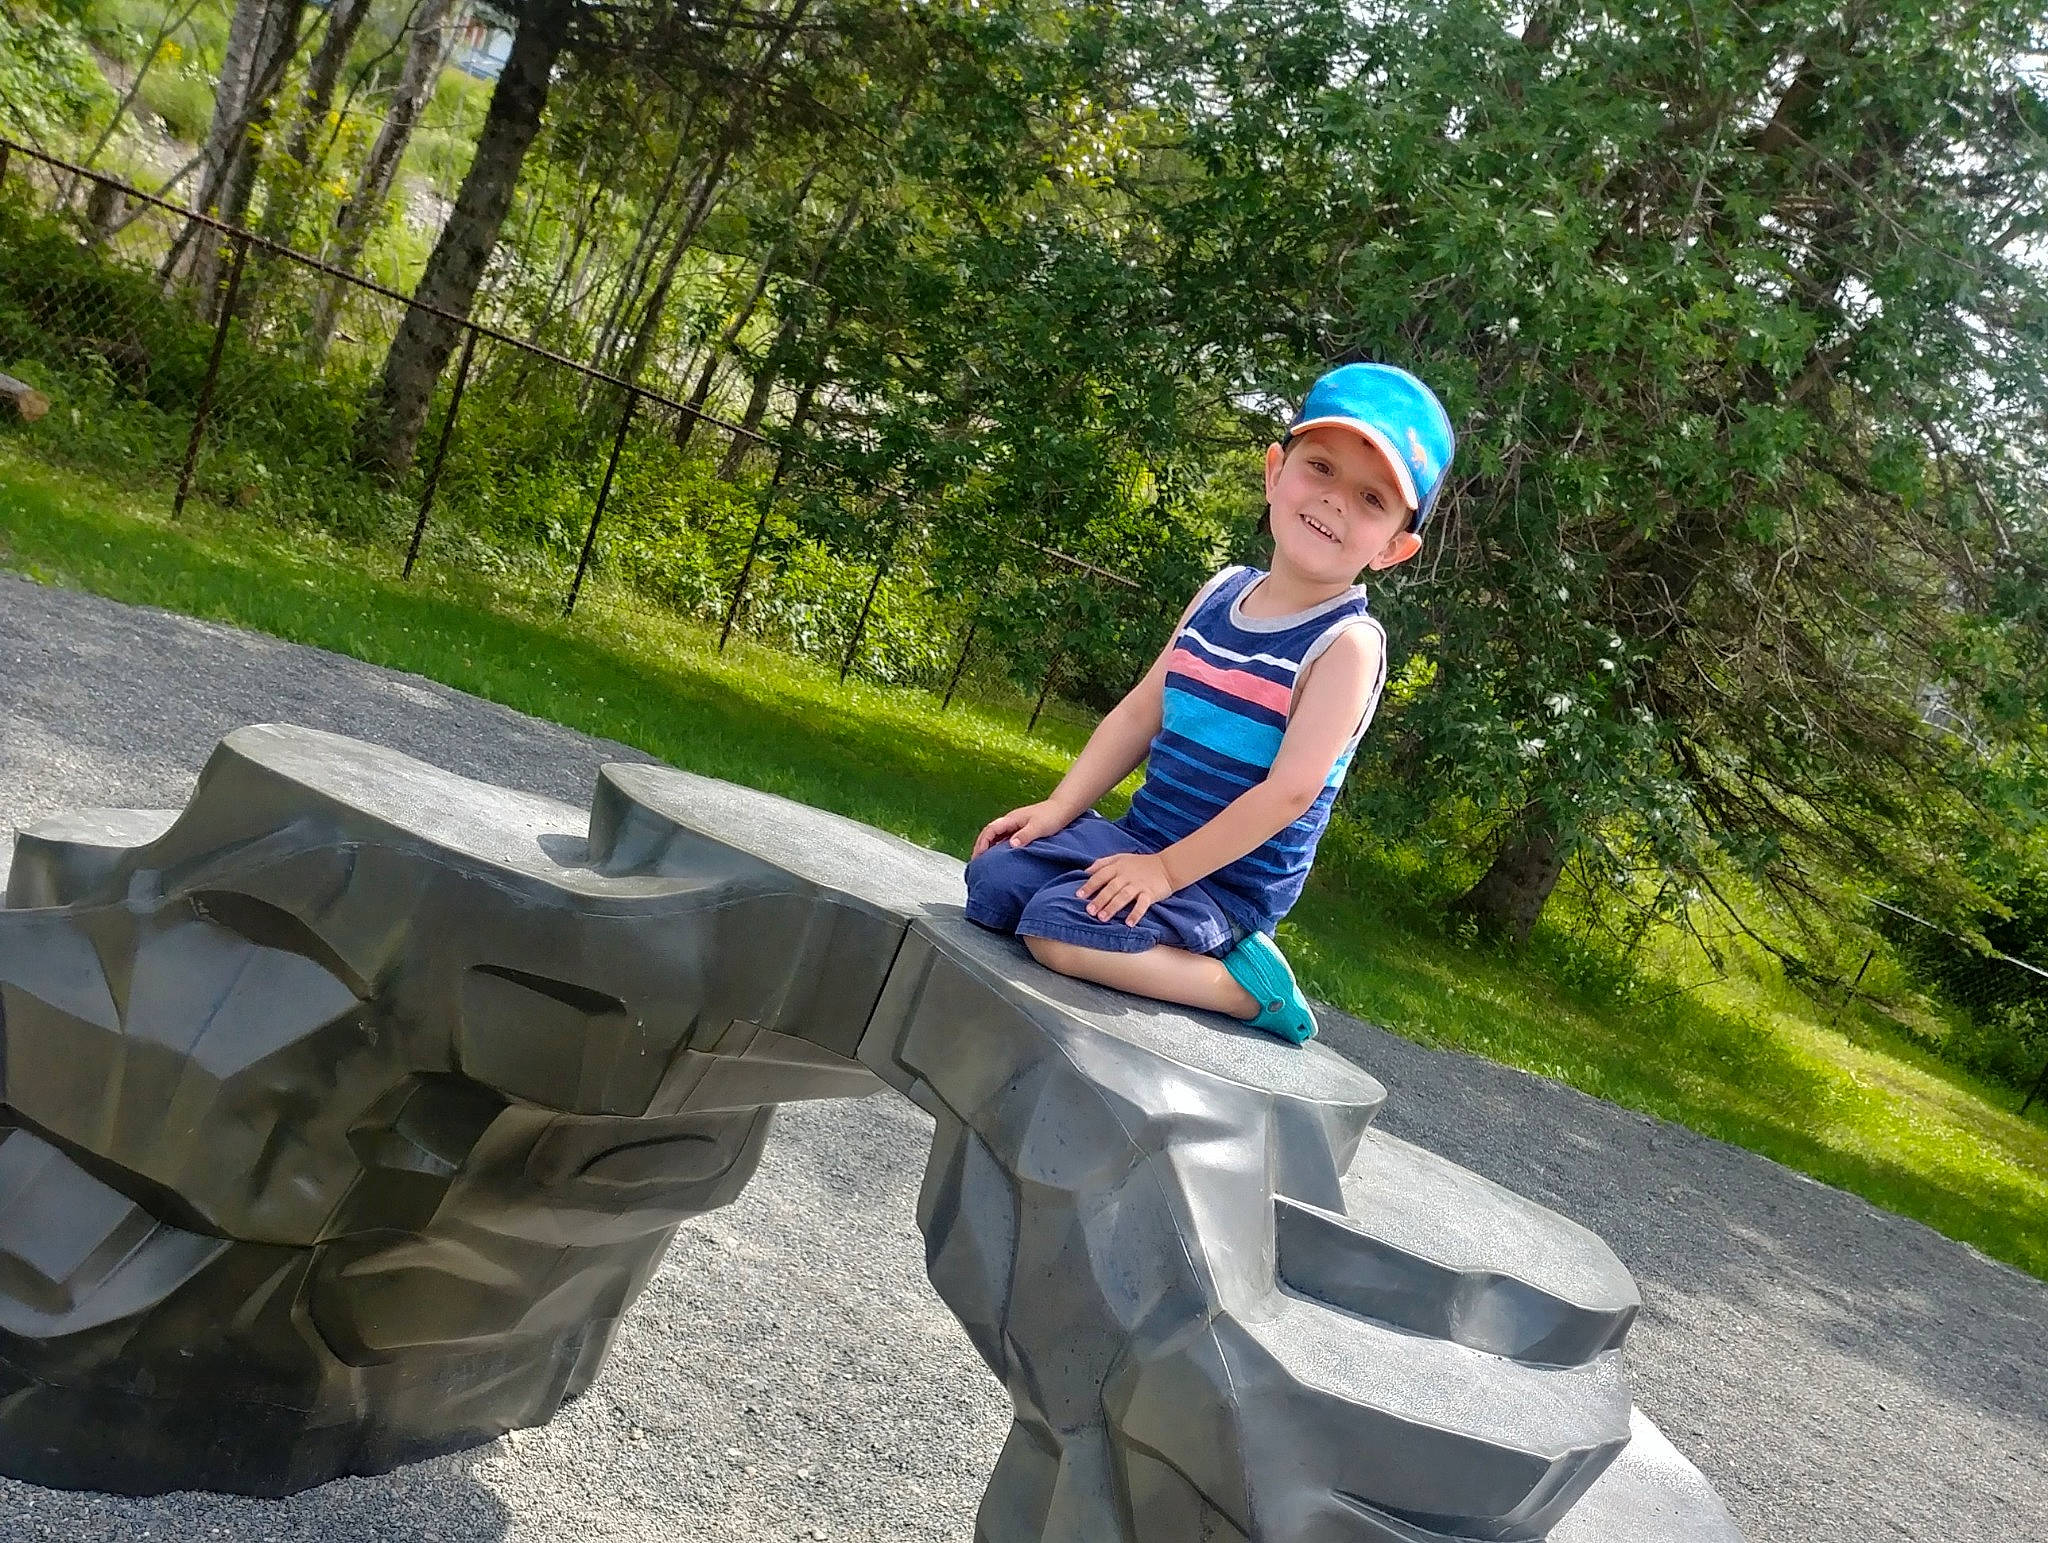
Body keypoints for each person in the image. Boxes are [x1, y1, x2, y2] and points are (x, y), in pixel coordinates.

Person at [963, 362, 1455, 1043]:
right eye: (1321, 467)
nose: (1336, 500)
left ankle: (1247, 989)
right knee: (995, 876)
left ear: (1396, 548)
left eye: (1372, 499)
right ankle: (1124, 905)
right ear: (1275, 472)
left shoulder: (1346, 645)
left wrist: (1165, 873)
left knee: (1059, 934)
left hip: (1222, 885)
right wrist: (1059, 808)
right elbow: (1141, 712)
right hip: (1141, 841)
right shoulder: (1221, 592)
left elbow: (1289, 793)